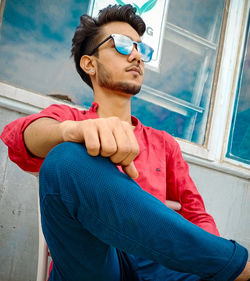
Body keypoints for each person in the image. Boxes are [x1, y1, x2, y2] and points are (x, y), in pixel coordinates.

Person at [1, 4, 249, 281]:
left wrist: (199, 251)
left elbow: (196, 214)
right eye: (121, 44)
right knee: (64, 160)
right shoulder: (69, 117)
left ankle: (225, 265)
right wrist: (73, 131)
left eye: (141, 48)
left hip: (159, 264)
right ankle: (237, 265)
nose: (135, 55)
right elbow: (18, 139)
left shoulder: (164, 143)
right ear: (89, 64)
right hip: (96, 262)